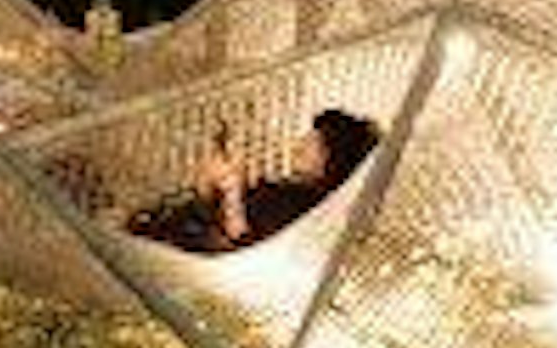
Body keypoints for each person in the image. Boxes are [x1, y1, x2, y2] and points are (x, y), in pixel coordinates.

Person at [129, 103, 384, 255]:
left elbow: (241, 240)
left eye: (311, 143)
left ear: (330, 160)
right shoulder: (293, 187)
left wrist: (232, 191)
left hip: (194, 248)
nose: (299, 145)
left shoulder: (305, 203)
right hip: (186, 230)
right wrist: (222, 181)